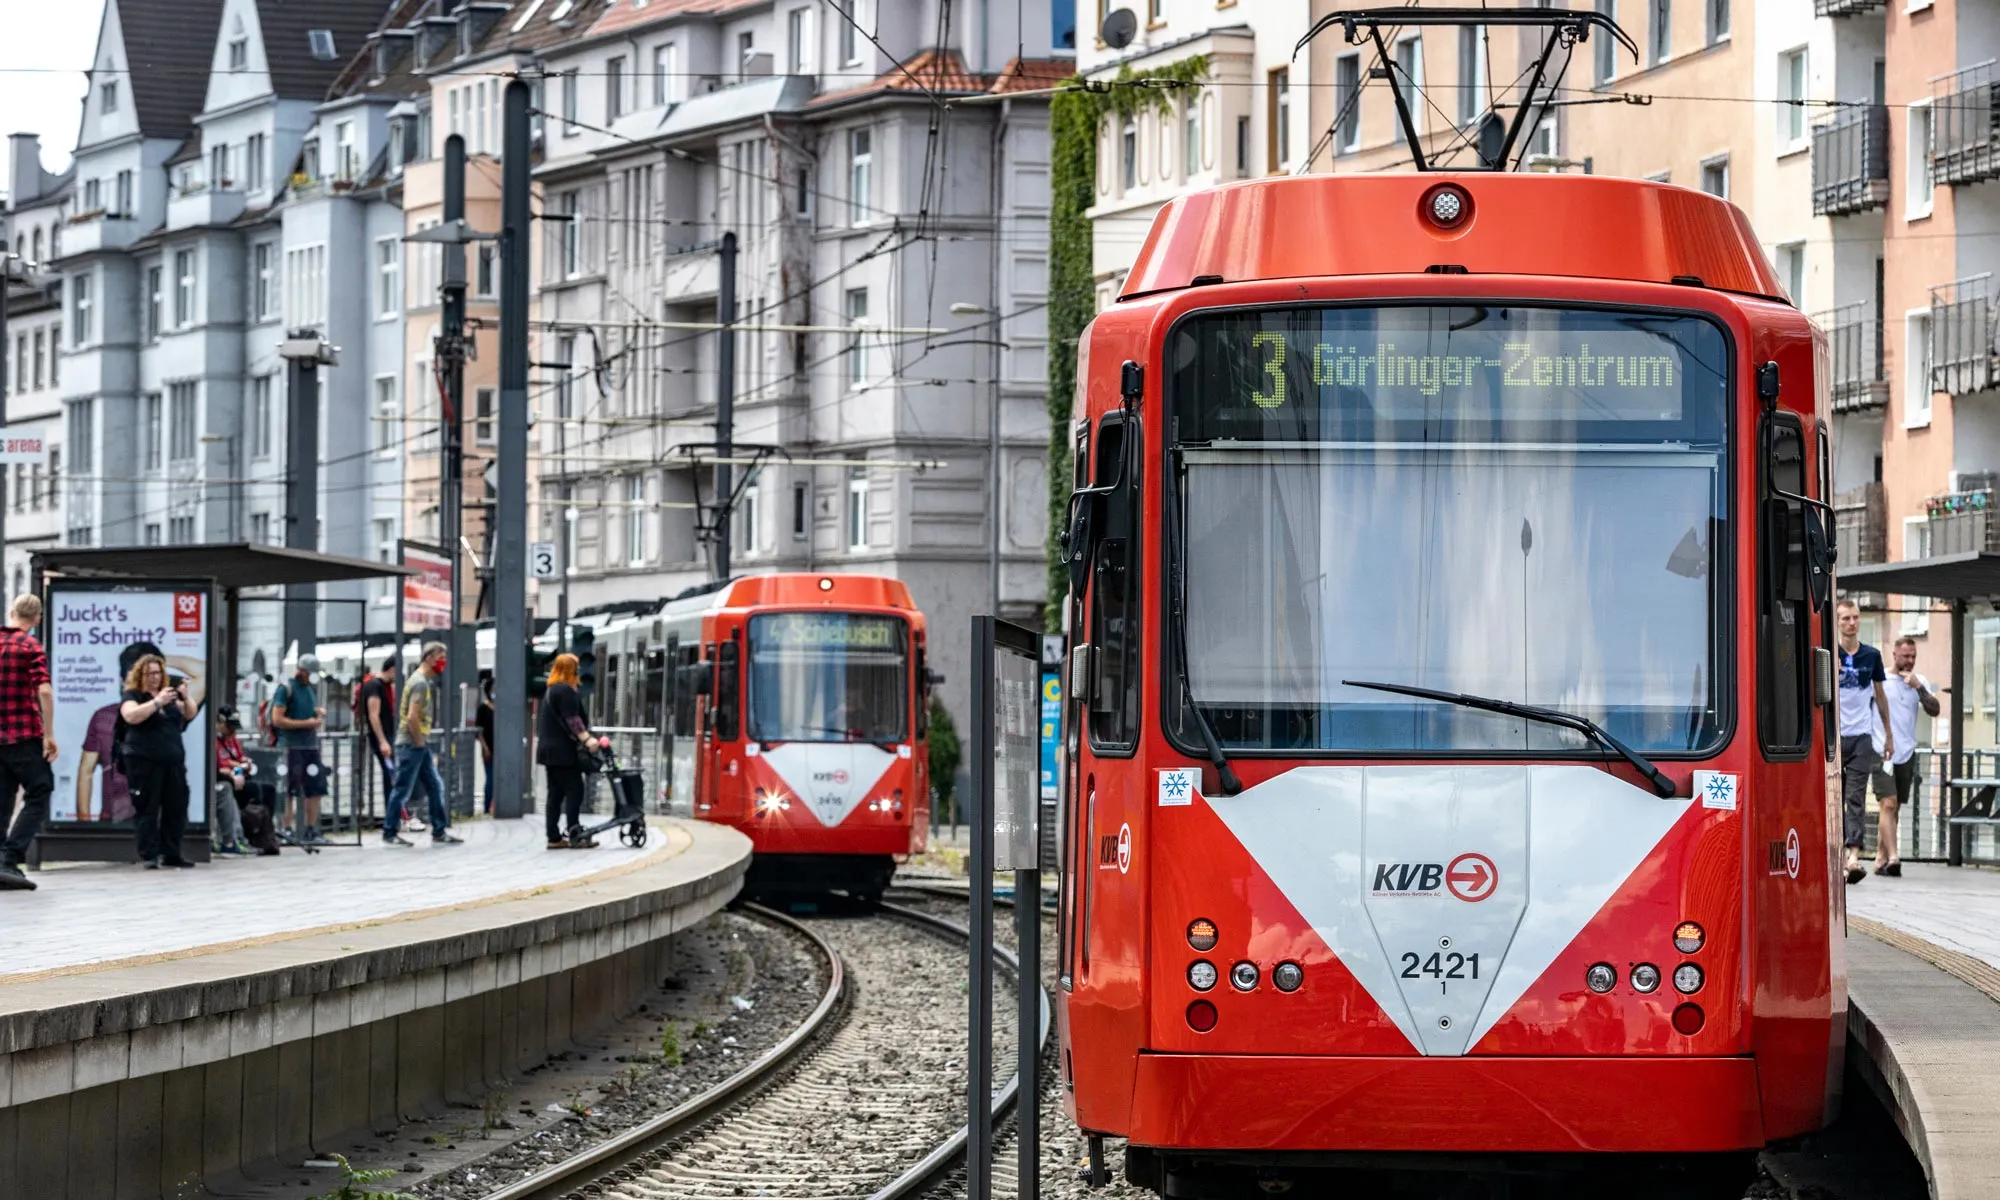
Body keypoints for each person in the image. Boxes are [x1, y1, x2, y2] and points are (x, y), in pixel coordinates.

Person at [1872, 635, 1941, 879]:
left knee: (1895, 807)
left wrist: (1919, 688)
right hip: (1881, 750)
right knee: (1887, 803)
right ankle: (1893, 857)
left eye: (1913, 656)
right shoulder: (1880, 680)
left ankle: (1880, 858)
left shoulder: (1917, 681)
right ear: (1895, 655)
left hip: (1906, 752)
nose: (1910, 660)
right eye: (1905, 656)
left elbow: (1935, 710)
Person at [0, 594, 56, 891]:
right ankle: (10, 857)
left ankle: (1, 860)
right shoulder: (29, 645)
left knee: (3, 796)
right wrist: (49, 734)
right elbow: (44, 691)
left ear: (11, 612)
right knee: (41, 789)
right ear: (37, 618)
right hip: (22, 735)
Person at [1836, 600, 1894, 886]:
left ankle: (1853, 855)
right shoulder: (1827, 653)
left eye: (1855, 618)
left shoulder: (1871, 655)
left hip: (1861, 735)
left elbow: (1880, 696)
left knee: (1856, 796)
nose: (1851, 623)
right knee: (1832, 797)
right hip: (1833, 734)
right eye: (1846, 618)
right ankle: (1835, 854)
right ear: (1837, 622)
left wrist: (1888, 735)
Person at [121, 653, 197, 869]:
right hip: (144, 761)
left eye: (158, 673)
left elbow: (189, 714)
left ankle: (172, 852)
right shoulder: (133, 695)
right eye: (150, 673)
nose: (155, 677)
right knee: (148, 808)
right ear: (141, 675)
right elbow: (130, 715)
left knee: (176, 807)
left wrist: (185, 695)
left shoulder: (169, 696)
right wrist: (156, 702)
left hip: (172, 760)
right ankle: (149, 854)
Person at [384, 642, 462, 847]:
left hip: (417, 745)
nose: (443, 662)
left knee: (435, 786)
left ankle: (439, 829)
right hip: (412, 744)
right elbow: (412, 717)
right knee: (402, 788)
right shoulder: (420, 683)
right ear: (428, 657)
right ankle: (390, 831)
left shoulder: (421, 681)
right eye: (440, 657)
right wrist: (419, 742)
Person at [77, 640, 162, 823]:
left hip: (156, 815)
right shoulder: (103, 718)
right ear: (123, 680)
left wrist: (156, 662)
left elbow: (200, 674)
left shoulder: (167, 711)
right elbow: (86, 771)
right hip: (115, 818)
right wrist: (84, 824)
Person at [538, 653, 607, 849]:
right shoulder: (566, 691)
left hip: (550, 752)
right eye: (576, 669)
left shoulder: (552, 690)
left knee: (555, 794)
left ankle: (553, 837)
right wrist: (587, 739)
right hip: (563, 752)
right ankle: (575, 833)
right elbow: (572, 719)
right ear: (571, 670)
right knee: (575, 790)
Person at [270, 654, 328, 842]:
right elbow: (277, 719)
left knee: (316, 786)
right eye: (310, 673)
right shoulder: (285, 688)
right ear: (301, 670)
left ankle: (311, 829)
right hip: (290, 746)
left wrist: (316, 712)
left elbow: (304, 711)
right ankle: (286, 829)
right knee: (289, 789)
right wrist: (306, 723)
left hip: (309, 746)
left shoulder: (308, 689)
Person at [358, 658, 412, 830]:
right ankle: (393, 821)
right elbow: (374, 715)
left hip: (388, 736)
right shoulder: (374, 686)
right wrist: (382, 741)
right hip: (382, 738)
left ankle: (396, 818)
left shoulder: (385, 686)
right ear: (391, 668)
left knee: (393, 777)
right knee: (391, 777)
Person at [475, 673, 495, 815]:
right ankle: (487, 808)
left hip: (502, 749)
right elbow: (479, 731)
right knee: (491, 779)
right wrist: (485, 748)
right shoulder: (483, 708)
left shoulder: (504, 709)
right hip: (489, 749)